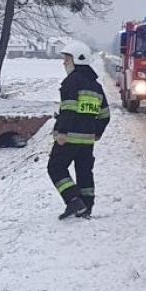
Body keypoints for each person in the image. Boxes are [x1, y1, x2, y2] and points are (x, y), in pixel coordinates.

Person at [47, 40, 110, 219]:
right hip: (87, 140)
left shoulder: (71, 82)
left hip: (69, 137)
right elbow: (105, 115)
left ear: (77, 59)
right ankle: (87, 207)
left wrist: (61, 132)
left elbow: (68, 109)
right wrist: (96, 133)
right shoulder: (96, 86)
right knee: (84, 172)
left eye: (67, 59)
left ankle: (74, 201)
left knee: (55, 168)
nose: (64, 63)